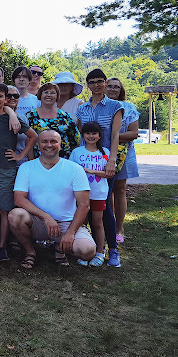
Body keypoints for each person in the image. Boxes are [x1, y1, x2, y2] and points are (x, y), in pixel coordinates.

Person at [8, 130, 97, 269]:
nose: (49, 145)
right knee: (15, 215)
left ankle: (59, 247)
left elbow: (84, 205)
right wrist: (46, 217)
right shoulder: (27, 167)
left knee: (88, 251)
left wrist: (71, 232)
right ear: (38, 145)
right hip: (38, 221)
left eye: (53, 141)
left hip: (66, 223)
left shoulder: (75, 169)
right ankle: (30, 252)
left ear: (60, 145)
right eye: (44, 141)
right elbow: (19, 199)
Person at [0, 83, 37, 261]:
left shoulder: (14, 118)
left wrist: (20, 156)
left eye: (1, 96)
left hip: (7, 169)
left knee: (5, 210)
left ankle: (2, 246)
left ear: (6, 98)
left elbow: (33, 136)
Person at [76, 69, 123, 267]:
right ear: (87, 84)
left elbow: (115, 135)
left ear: (105, 83)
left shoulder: (115, 106)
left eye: (100, 81)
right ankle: (95, 248)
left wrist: (112, 159)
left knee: (104, 209)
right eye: (92, 81)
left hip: (104, 161)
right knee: (85, 207)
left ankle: (112, 250)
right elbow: (81, 134)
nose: (96, 84)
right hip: (84, 162)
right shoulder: (82, 108)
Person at [105, 77, 140, 244]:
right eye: (109, 86)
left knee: (119, 190)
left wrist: (112, 137)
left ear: (121, 90)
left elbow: (133, 133)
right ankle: (107, 226)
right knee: (106, 191)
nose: (112, 89)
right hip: (102, 153)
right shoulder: (101, 107)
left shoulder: (129, 107)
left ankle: (119, 228)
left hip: (124, 154)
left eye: (116, 87)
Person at [70, 122, 109, 267]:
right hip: (80, 194)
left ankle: (99, 252)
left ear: (99, 136)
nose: (91, 136)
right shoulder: (77, 152)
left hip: (98, 193)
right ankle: (85, 250)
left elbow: (109, 174)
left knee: (98, 222)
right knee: (82, 222)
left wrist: (93, 172)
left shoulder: (105, 152)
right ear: (83, 135)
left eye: (94, 133)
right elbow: (71, 172)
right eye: (87, 133)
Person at [25, 82, 81, 159]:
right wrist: (31, 161)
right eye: (46, 92)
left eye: (53, 93)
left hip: (63, 159)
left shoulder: (65, 116)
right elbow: (27, 141)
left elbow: (76, 139)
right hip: (38, 160)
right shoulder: (30, 116)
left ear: (57, 96)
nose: (49, 95)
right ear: (40, 95)